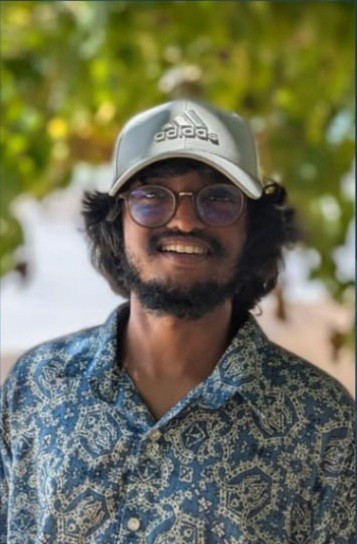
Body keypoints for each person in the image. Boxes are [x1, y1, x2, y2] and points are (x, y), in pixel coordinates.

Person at [1, 99, 354, 544]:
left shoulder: (322, 421)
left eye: (219, 200)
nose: (185, 220)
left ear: (253, 230)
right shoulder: (36, 388)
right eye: (151, 199)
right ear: (117, 222)